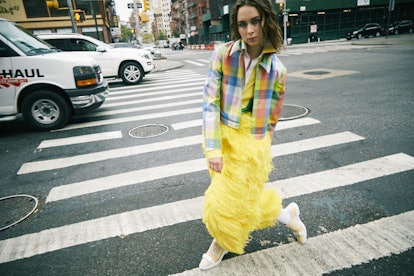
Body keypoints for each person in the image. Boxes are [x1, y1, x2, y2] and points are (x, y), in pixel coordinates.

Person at [199, 0, 307, 271]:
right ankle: (287, 215)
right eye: (242, 24)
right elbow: (210, 102)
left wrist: (264, 144)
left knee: (227, 198)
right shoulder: (223, 54)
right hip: (221, 135)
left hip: (252, 141)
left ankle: (219, 243)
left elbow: (273, 114)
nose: (249, 30)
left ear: (267, 20)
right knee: (240, 196)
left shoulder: (277, 70)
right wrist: (213, 148)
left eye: (255, 21)